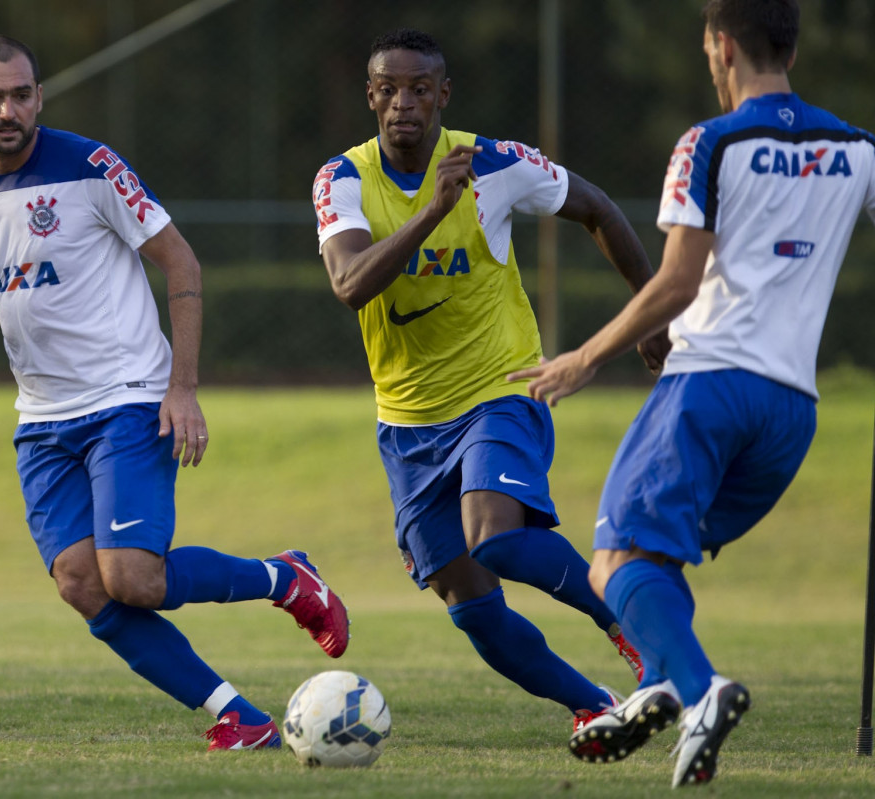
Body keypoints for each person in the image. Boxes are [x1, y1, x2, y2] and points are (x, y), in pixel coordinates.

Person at [0, 34, 350, 752]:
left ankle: (283, 578)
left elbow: (180, 260)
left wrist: (183, 386)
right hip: (42, 420)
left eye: (20, 93)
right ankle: (239, 715)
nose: (7, 108)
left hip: (128, 398)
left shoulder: (91, 165)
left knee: (133, 575)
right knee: (81, 580)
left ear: (39, 97)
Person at [509, 0, 875, 787]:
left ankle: (700, 689)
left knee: (613, 561)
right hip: (791, 412)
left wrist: (585, 356)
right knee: (658, 557)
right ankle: (660, 686)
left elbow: (676, 282)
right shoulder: (858, 149)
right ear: (793, 47)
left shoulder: (711, 142)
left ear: (720, 46)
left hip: (709, 386)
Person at [314, 28, 666, 733]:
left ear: (444, 96)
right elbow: (351, 283)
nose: (403, 102)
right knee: (471, 605)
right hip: (408, 425)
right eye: (389, 88)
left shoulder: (496, 163)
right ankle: (594, 707)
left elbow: (595, 205)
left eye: (420, 88)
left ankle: (631, 625)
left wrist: (650, 312)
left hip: (498, 390)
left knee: (496, 536)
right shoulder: (342, 178)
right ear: (371, 96)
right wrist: (434, 212)